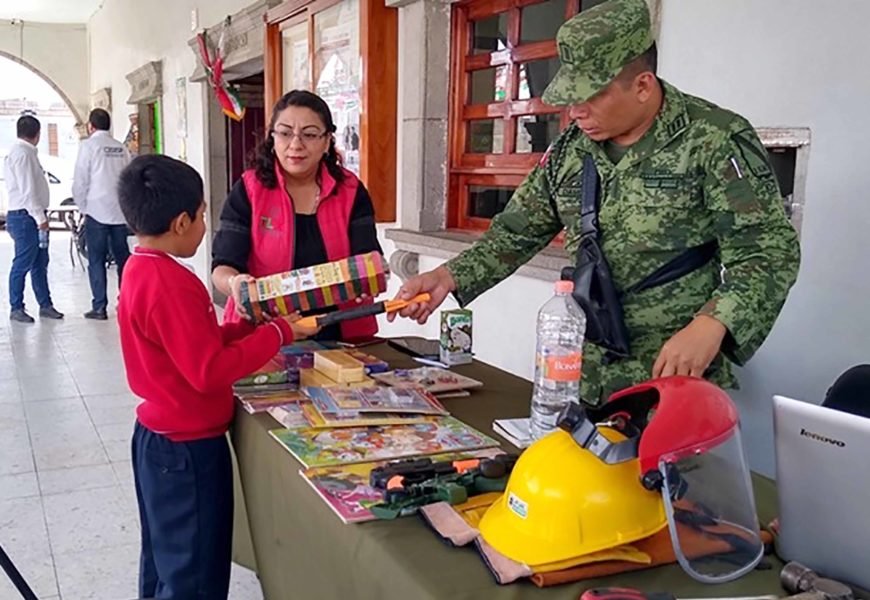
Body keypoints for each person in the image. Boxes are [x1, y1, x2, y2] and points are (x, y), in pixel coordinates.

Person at [392, 0, 800, 405]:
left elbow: (768, 251)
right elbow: (515, 233)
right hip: (581, 377)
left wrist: (713, 323)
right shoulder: (571, 150)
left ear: (642, 85)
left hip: (672, 379)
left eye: (591, 96)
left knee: (667, 472)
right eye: (571, 97)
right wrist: (448, 276)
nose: (575, 111)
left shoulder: (713, 139)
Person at [116, 154, 317, 599]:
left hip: (159, 439)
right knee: (195, 572)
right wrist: (281, 332)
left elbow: (194, 347)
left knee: (165, 558)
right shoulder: (172, 284)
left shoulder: (141, 269)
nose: (206, 225)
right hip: (187, 453)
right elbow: (208, 371)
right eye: (205, 215)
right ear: (183, 221)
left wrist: (246, 325)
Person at [212, 89, 382, 342]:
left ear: (327, 141)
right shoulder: (249, 190)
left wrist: (366, 279)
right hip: (265, 333)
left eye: (310, 134)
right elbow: (222, 266)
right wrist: (235, 284)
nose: (296, 144)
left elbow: (368, 256)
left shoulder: (350, 190)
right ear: (272, 138)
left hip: (340, 332)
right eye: (285, 132)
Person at [3, 115, 64, 323]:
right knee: (23, 262)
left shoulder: (26, 152)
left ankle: (45, 304)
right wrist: (40, 218)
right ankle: (16, 307)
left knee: (40, 262)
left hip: (29, 215)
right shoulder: (22, 154)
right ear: (38, 134)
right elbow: (28, 190)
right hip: (25, 217)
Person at [73, 108, 132, 320]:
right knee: (123, 259)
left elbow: (81, 180)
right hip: (119, 213)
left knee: (96, 259)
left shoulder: (88, 146)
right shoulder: (120, 148)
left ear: (91, 126)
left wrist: (82, 207)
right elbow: (129, 179)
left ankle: (99, 307)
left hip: (96, 212)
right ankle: (126, 303)